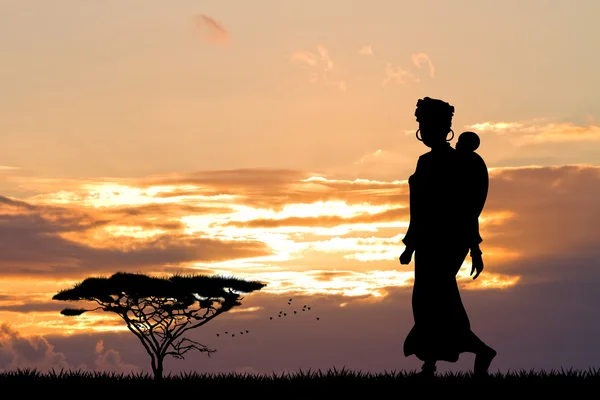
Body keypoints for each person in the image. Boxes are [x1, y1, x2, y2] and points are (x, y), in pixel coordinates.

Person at [399, 97, 496, 378]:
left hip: (439, 243)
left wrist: (411, 245)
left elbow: (459, 208)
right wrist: (412, 245)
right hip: (434, 243)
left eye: (422, 123)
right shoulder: (436, 161)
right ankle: (430, 363)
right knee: (431, 301)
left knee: (435, 301)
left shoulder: (442, 163)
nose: (420, 128)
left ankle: (474, 351)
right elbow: (423, 209)